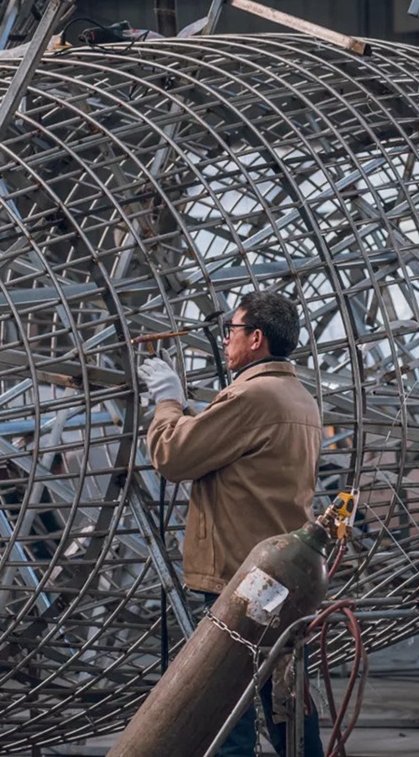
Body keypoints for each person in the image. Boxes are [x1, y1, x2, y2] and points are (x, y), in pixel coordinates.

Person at [137, 290, 324, 757]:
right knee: (286, 707)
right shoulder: (299, 397)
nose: (224, 340)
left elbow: (174, 456)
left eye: (232, 330)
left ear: (256, 338)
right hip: (279, 577)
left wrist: (168, 401)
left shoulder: (252, 396)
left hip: (237, 581)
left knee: (224, 714)